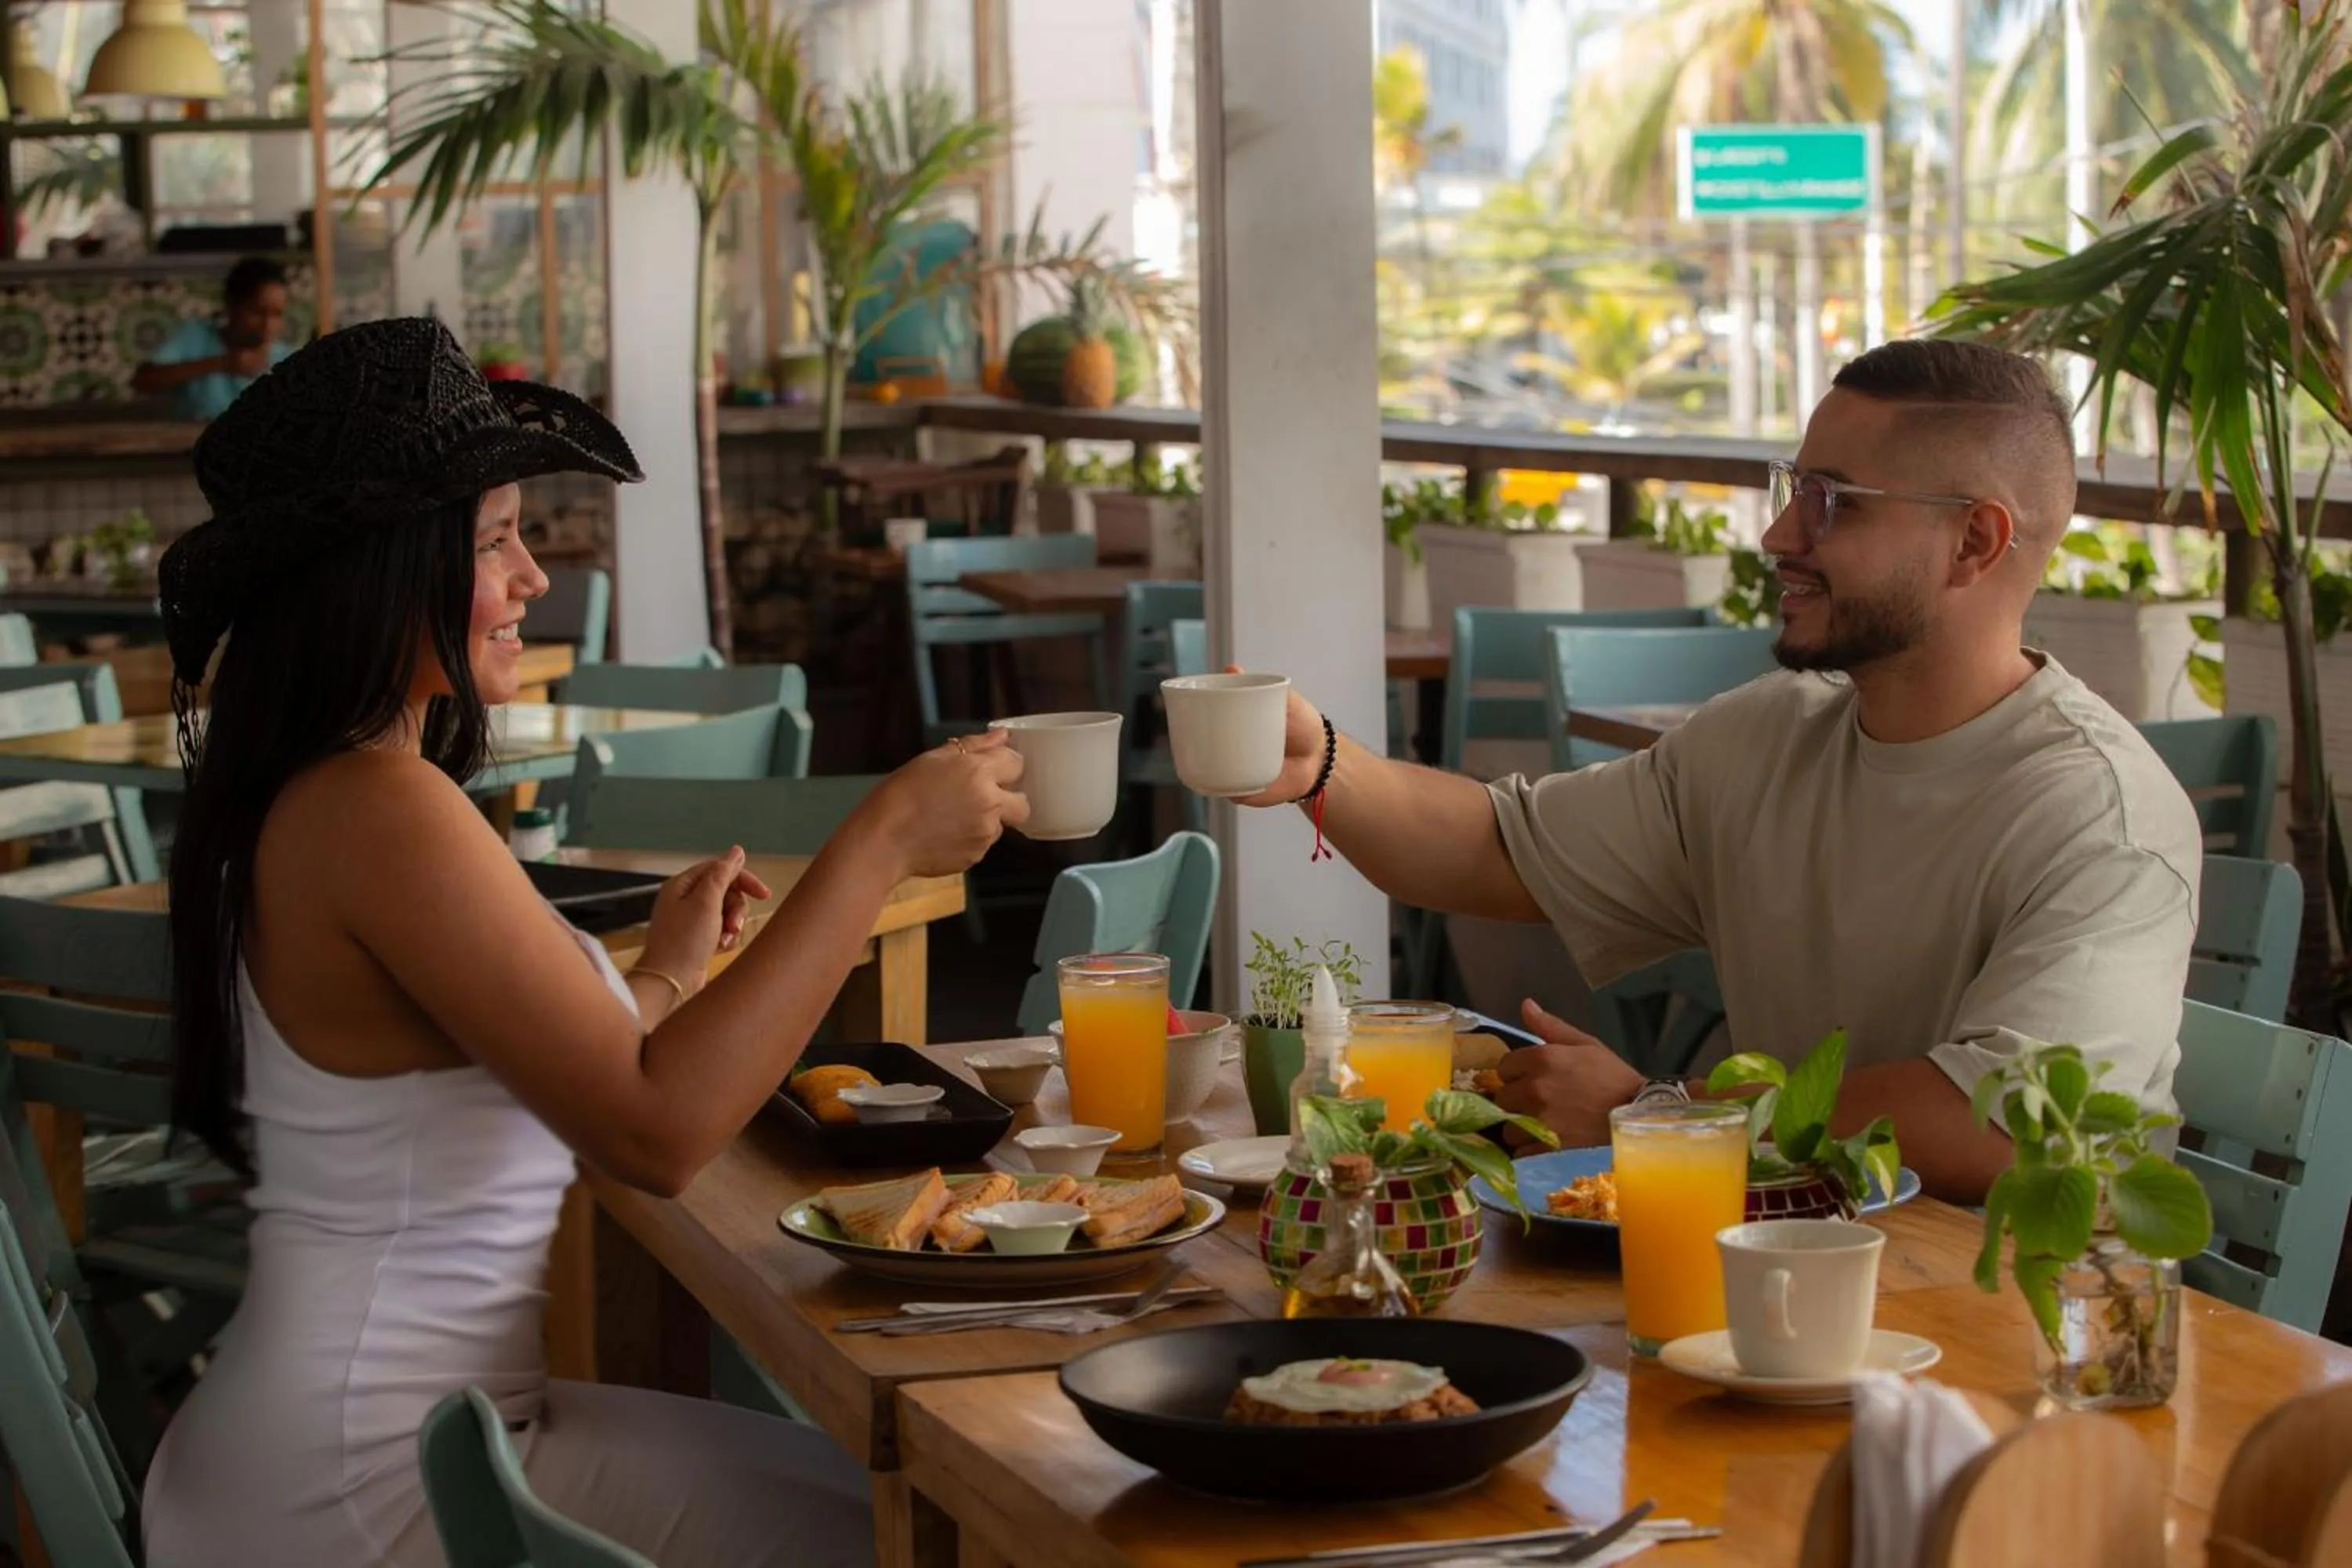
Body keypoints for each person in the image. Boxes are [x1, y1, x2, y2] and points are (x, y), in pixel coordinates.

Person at [139, 317, 1028, 1567]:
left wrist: (664, 974)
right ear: (383, 568)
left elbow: (543, 1078)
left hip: (365, 1442)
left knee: (897, 1509)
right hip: (364, 1492)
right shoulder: (374, 807)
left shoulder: (326, 792)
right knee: (930, 1532)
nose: (532, 576)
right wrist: (878, 841)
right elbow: (654, 1134)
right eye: (496, 537)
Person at [1240, 339, 2201, 1204]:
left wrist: (1668, 1114)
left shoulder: (2099, 814)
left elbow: (1998, 1126)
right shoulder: (1769, 737)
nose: (1780, 536)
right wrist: (1324, 762)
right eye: (1789, 489)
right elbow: (1499, 849)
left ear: (1975, 542)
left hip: (2018, 1340)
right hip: (1779, 1271)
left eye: (1831, 502)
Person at [132, 256, 293, 422]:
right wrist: (223, 364)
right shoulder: (195, 336)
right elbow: (143, 381)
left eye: (277, 315)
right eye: (257, 313)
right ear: (231, 306)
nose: (268, 325)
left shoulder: (285, 361)